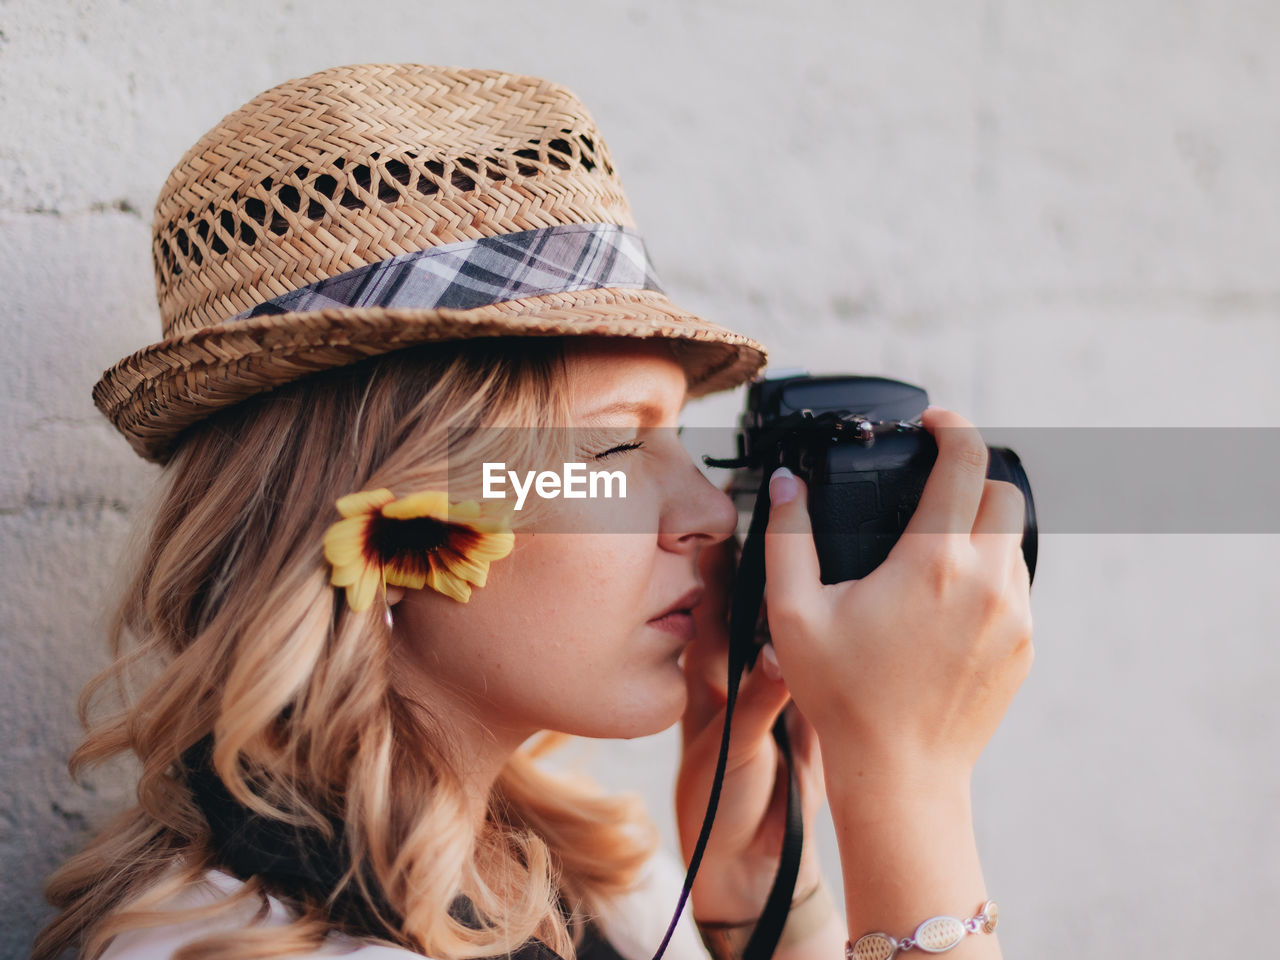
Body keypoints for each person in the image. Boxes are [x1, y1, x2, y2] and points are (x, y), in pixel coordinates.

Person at [34, 64, 1032, 960]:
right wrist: (906, 786)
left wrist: (764, 905)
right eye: (613, 444)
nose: (704, 512)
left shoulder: (567, 889)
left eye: (678, 436)